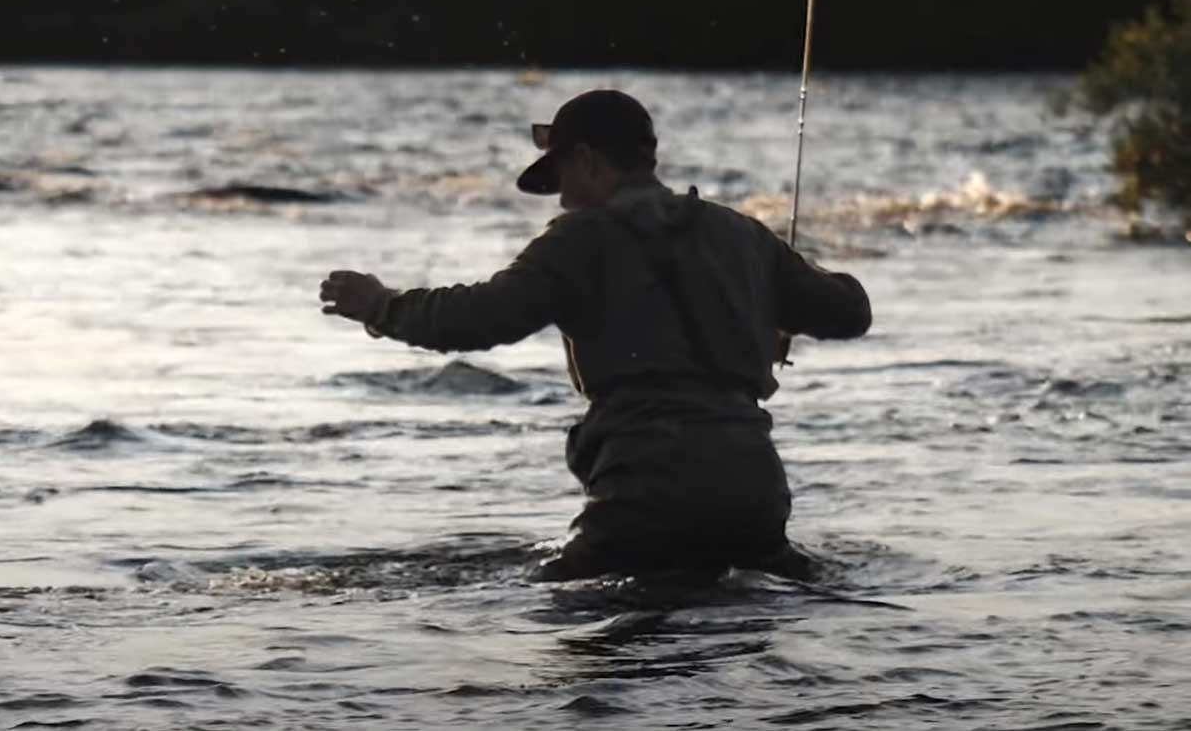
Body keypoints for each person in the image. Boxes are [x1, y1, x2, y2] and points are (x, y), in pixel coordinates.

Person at [317, 89, 871, 581]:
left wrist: (382, 306)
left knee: (566, 630)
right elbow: (850, 312)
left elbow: (480, 318)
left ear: (586, 159)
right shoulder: (741, 232)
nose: (560, 200)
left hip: (645, 499)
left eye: (561, 179)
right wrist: (776, 305)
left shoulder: (579, 240)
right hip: (755, 498)